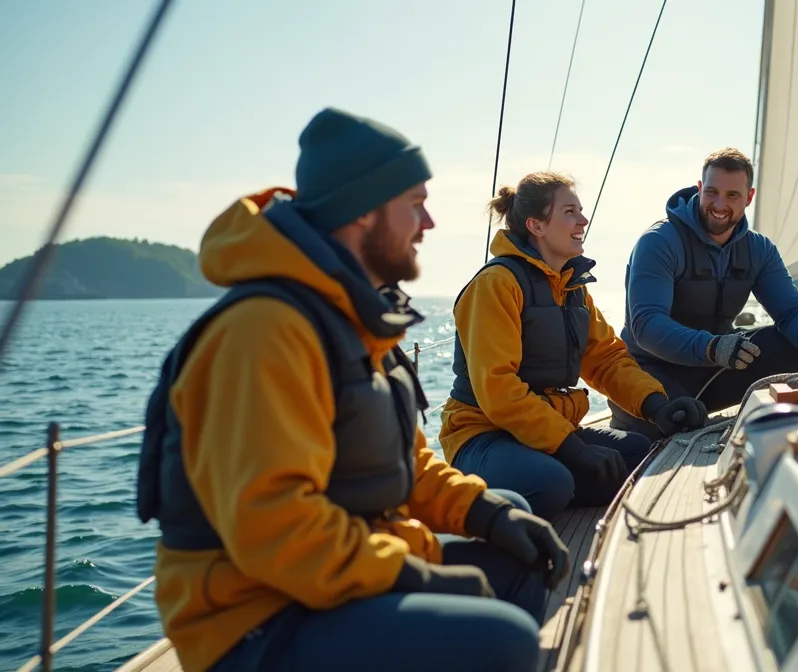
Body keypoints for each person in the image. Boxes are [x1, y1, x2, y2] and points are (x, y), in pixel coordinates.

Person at [135, 108, 570, 672]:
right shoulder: (265, 331)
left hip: (334, 573)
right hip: (252, 620)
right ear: (365, 213)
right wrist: (415, 572)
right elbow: (278, 531)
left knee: (519, 548)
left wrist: (485, 513)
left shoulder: (352, 312)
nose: (429, 223)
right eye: (415, 203)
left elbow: (405, 461)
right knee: (502, 641)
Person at [438, 171, 708, 521]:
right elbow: (498, 389)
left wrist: (658, 407)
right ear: (536, 225)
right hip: (483, 435)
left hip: (542, 431)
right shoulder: (496, 284)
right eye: (570, 212)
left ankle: (543, 476)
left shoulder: (572, 288)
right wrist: (572, 449)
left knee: (638, 454)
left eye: (580, 211)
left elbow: (606, 359)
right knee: (551, 483)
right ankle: (491, 497)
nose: (583, 220)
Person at [609, 148, 798, 439]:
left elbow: (790, 310)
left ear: (749, 197)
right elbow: (646, 325)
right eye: (712, 192)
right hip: (651, 372)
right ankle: (635, 419)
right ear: (699, 189)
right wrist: (712, 347)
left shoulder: (759, 250)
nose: (719, 204)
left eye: (732, 195)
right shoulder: (658, 242)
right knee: (682, 417)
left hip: (716, 369)